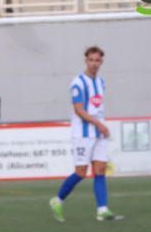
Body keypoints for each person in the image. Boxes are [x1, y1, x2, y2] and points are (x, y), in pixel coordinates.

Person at [49, 46, 121, 222]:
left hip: (99, 133)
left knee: (100, 170)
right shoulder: (78, 82)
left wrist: (101, 127)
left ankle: (102, 210)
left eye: (97, 60)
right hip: (83, 134)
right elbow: (79, 110)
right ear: (86, 61)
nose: (94, 63)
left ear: (101, 62)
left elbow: (97, 107)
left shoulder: (101, 82)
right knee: (81, 172)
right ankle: (57, 200)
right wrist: (100, 125)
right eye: (91, 60)